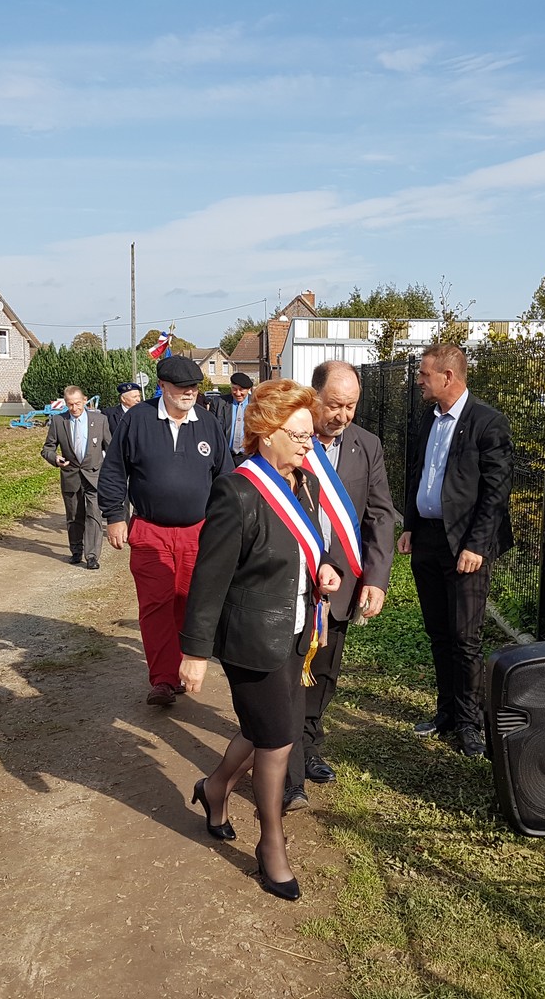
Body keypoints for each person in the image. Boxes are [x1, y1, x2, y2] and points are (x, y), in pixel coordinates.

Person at [178, 379, 342, 901]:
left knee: (262, 728)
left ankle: (214, 787)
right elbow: (209, 579)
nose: (309, 444)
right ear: (265, 433)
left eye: (310, 435)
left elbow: (311, 548)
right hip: (253, 638)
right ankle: (271, 843)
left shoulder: (304, 484)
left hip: (297, 631)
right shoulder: (237, 491)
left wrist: (328, 570)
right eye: (298, 435)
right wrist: (193, 652)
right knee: (276, 740)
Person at [284, 360, 396, 812]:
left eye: (350, 406)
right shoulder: (290, 438)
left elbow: (380, 515)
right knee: (288, 675)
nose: (342, 415)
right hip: (293, 581)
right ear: (313, 396)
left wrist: (377, 578)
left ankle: (309, 746)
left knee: (323, 672)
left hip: (342, 585)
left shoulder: (367, 445)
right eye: (334, 405)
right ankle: (287, 768)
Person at [397, 344, 512, 758]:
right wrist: (410, 525)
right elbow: (418, 474)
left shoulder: (487, 422)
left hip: (465, 546)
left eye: (424, 374)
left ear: (448, 377)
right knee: (439, 632)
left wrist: (477, 545)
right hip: (428, 540)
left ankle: (469, 721)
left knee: (465, 637)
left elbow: (496, 492)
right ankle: (446, 711)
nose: (419, 380)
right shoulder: (428, 419)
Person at [98, 355, 233, 707]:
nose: (189, 393)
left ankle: (189, 667)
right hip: (150, 530)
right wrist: (114, 516)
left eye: (194, 387)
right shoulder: (137, 420)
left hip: (197, 532)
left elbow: (225, 477)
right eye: (181, 387)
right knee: (155, 605)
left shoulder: (208, 423)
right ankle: (163, 679)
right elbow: (114, 470)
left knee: (190, 602)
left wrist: (226, 525)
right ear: (162, 386)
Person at [41, 385, 110, 569]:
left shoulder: (100, 420)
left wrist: (111, 474)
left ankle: (92, 556)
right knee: (74, 516)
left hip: (94, 476)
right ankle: (76, 550)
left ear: (85, 400)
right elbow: (47, 448)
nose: (74, 408)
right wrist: (55, 458)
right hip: (71, 476)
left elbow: (110, 449)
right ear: (65, 403)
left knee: (94, 514)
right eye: (70, 404)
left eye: (78, 403)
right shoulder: (59, 421)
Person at [220, 372, 254, 462]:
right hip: (225, 456)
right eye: (234, 389)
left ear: (248, 389)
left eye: (241, 390)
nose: (238, 393)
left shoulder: (256, 404)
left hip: (249, 456)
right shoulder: (219, 403)